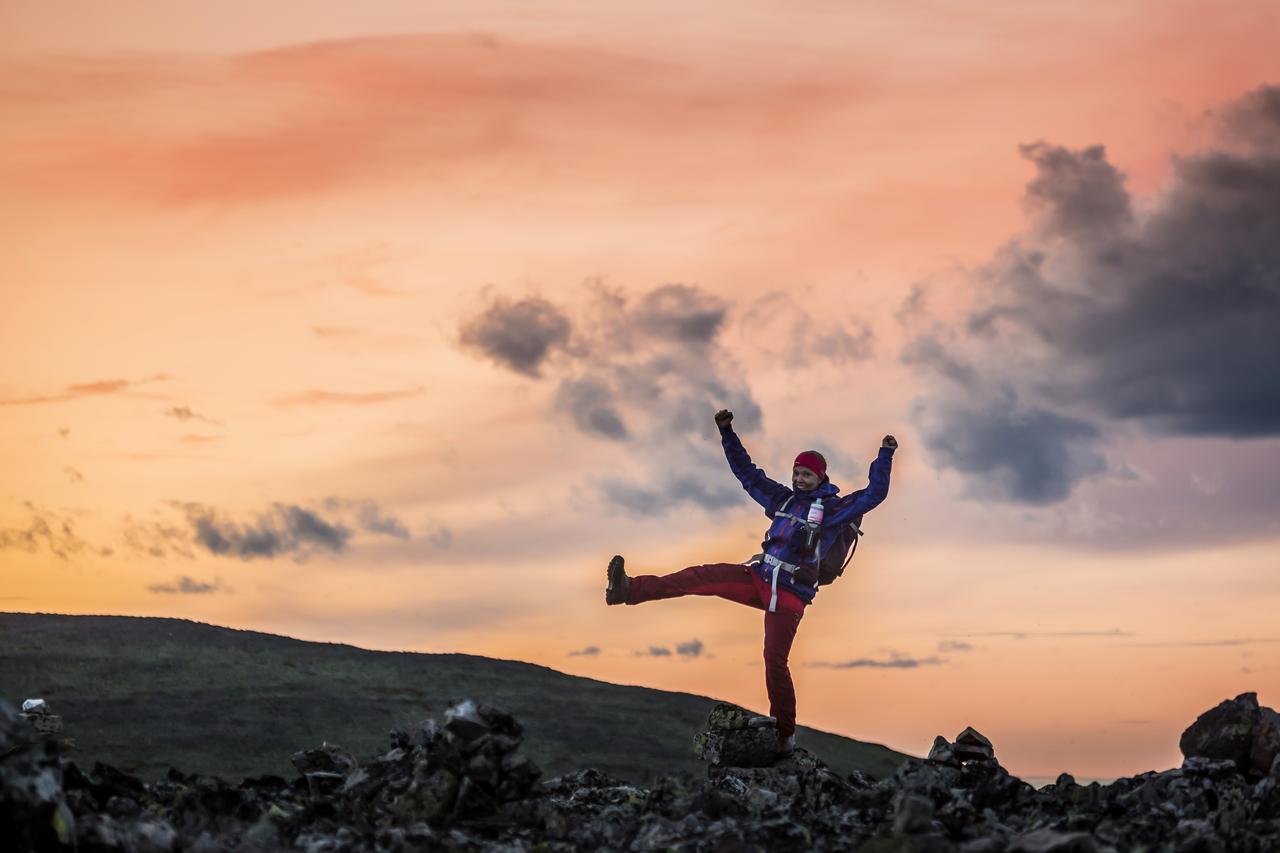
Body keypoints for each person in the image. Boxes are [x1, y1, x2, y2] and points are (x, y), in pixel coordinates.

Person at [605, 408, 897, 756]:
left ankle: (785, 736)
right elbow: (747, 473)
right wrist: (726, 432)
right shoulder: (782, 499)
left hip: (790, 594)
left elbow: (874, 494)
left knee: (775, 661)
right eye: (797, 472)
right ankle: (628, 589)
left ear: (821, 477)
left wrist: (885, 454)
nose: (800, 479)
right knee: (699, 577)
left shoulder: (833, 510)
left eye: (807, 474)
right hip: (758, 577)